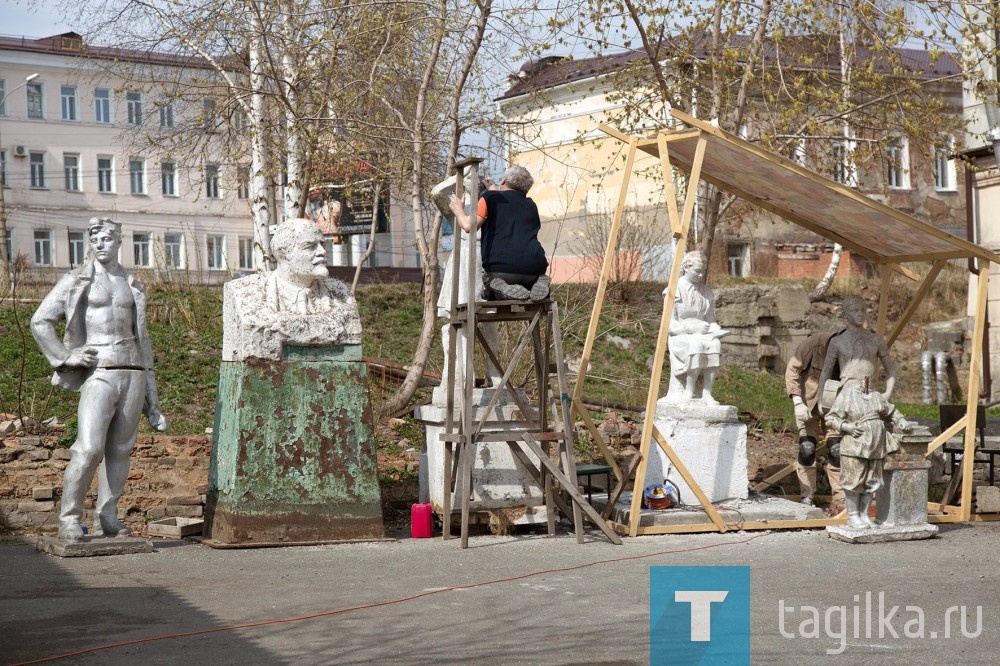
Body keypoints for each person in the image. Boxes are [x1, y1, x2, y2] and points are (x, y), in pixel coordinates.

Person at [31, 217, 168, 541]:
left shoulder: (132, 284)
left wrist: (154, 402)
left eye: (107, 238)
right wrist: (66, 356)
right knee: (89, 448)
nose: (100, 244)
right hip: (99, 372)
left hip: (132, 371)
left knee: (120, 449)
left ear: (119, 241)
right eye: (95, 239)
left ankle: (108, 515)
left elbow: (143, 343)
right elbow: (41, 321)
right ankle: (69, 519)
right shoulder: (77, 280)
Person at [221, 218, 362, 362]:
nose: (322, 251)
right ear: (283, 253)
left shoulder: (341, 294)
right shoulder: (245, 293)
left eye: (322, 244)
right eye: (310, 246)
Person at [448, 165, 550, 301]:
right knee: (527, 283)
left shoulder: (489, 198)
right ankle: (539, 282)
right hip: (535, 269)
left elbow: (468, 226)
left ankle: (499, 288)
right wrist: (492, 189)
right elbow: (505, 206)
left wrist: (458, 210)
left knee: (491, 288)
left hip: (501, 270)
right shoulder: (531, 205)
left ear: (504, 181)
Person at [825, 377, 912, 529]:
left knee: (871, 481)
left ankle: (864, 515)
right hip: (855, 446)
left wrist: (900, 420)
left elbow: (891, 411)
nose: (866, 382)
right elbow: (831, 418)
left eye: (869, 379)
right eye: (863, 378)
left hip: (875, 446)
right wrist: (847, 426)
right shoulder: (847, 395)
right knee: (853, 481)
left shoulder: (876, 397)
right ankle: (853, 516)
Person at [785, 331, 845, 510]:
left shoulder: (850, 351)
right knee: (807, 448)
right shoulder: (813, 344)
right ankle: (807, 496)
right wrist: (797, 401)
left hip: (835, 406)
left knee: (837, 449)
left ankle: (840, 499)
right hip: (808, 403)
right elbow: (792, 370)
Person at [665, 250, 728, 403]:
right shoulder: (674, 290)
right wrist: (692, 329)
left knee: (715, 344)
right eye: (697, 271)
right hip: (681, 335)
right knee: (696, 345)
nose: (701, 275)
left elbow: (710, 319)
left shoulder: (706, 292)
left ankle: (707, 393)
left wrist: (716, 329)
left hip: (704, 333)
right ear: (686, 268)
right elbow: (669, 324)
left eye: (703, 272)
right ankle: (689, 390)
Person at [818, 295, 898, 405]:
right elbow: (826, 372)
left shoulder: (876, 340)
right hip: (845, 397)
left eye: (863, 310)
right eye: (855, 310)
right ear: (845, 314)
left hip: (870, 395)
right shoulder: (837, 342)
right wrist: (821, 399)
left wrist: (887, 393)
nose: (860, 313)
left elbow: (891, 370)